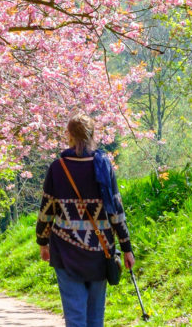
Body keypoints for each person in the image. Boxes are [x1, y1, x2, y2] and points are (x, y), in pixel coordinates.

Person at [36, 114, 134, 327]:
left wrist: (42, 242)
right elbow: (116, 210)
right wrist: (127, 248)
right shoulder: (103, 165)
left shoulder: (58, 168)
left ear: (69, 136)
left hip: (65, 250)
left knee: (75, 317)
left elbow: (47, 210)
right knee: (95, 317)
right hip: (100, 251)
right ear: (92, 136)